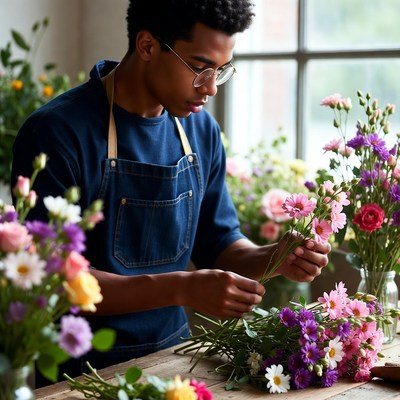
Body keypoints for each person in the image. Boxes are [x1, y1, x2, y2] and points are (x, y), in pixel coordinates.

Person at [11, 0, 330, 385]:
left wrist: (276, 257)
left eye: (221, 70)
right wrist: (182, 287)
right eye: (199, 68)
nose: (211, 87)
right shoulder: (57, 133)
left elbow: (219, 242)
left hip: (175, 362)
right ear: (147, 46)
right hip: (82, 373)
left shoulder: (200, 132)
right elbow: (57, 279)